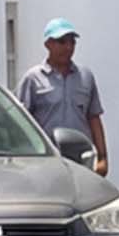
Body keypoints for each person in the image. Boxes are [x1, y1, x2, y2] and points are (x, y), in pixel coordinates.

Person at [17, 18, 107, 173]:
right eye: (62, 42)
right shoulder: (33, 79)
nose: (68, 47)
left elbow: (94, 118)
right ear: (48, 44)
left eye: (72, 42)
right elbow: (21, 122)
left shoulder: (85, 76)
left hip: (81, 158)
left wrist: (103, 158)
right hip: (47, 160)